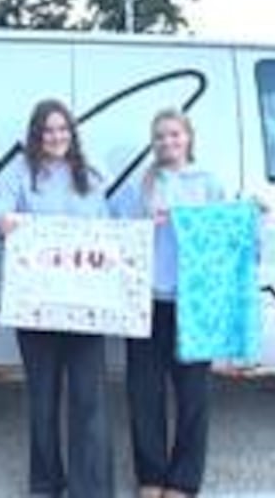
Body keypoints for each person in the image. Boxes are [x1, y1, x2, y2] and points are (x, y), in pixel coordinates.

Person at [0, 99, 114, 498]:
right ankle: (45, 483)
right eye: (48, 130)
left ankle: (89, 488)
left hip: (86, 309)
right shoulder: (18, 175)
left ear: (72, 133)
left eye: (63, 129)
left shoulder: (91, 177)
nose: (56, 137)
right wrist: (0, 221)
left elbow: (109, 234)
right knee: (42, 399)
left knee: (88, 399)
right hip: (36, 307)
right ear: (36, 135)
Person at [111, 108, 225, 498]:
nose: (167, 142)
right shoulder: (139, 187)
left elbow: (226, 239)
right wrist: (145, 225)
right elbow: (114, 235)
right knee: (144, 394)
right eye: (160, 136)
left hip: (194, 304)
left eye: (174, 135)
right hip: (146, 302)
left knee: (194, 395)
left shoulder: (209, 184)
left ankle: (183, 481)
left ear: (188, 137)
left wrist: (256, 217)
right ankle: (151, 477)